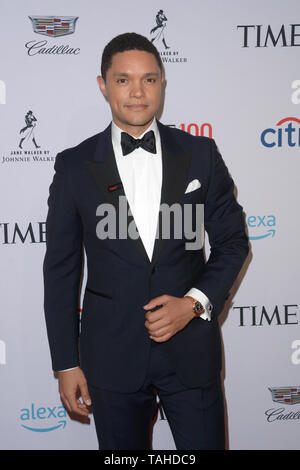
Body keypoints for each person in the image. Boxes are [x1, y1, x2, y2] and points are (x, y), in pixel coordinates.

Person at [43, 32, 249, 450]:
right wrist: (66, 363)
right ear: (103, 84)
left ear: (163, 83)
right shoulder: (75, 166)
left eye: (149, 79)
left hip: (192, 352)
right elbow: (61, 271)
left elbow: (233, 242)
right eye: (123, 80)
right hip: (111, 355)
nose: (138, 92)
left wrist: (192, 304)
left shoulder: (201, 154)